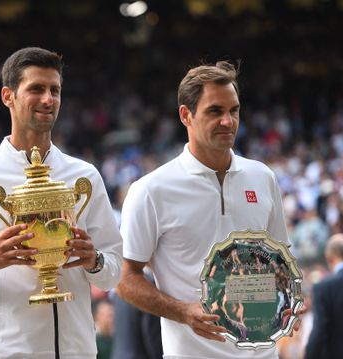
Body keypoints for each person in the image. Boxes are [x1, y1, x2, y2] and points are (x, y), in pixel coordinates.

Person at [0, 47, 122, 358]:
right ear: (8, 96)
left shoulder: (85, 176)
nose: (48, 99)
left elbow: (115, 272)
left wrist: (94, 260)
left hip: (78, 352)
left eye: (55, 90)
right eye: (36, 89)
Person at [117, 61, 293, 358]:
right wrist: (184, 311)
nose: (228, 121)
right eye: (215, 111)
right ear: (186, 115)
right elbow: (124, 279)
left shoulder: (262, 177)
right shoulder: (151, 190)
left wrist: (288, 302)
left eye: (233, 110)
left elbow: (280, 261)